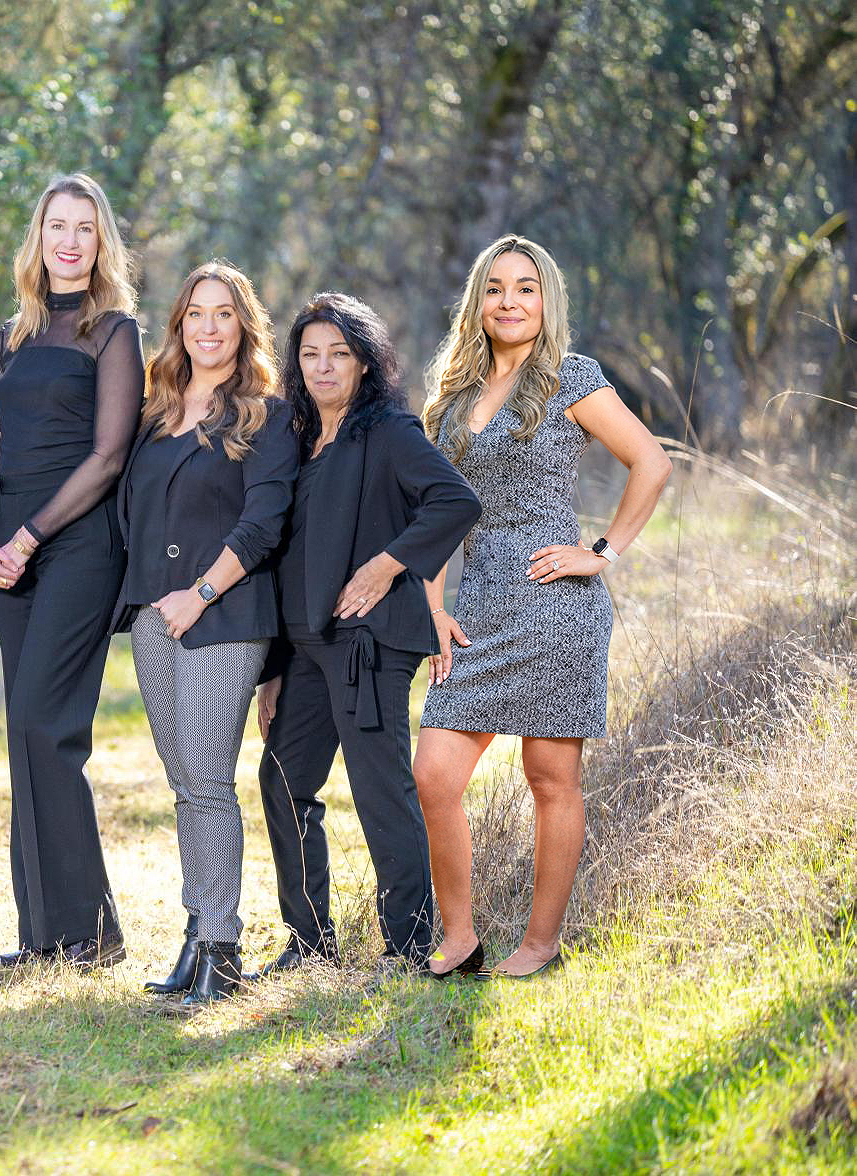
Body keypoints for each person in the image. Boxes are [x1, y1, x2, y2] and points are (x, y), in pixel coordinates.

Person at [415, 235, 672, 979]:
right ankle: (460, 938)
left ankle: (540, 942)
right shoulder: (453, 396)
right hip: (475, 608)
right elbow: (436, 513)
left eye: (525, 288)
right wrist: (432, 607)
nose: (509, 302)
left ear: (545, 299)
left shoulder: (570, 378)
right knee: (434, 774)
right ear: (478, 302)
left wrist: (602, 552)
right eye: (495, 288)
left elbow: (651, 462)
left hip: (555, 605)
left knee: (551, 779)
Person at [254, 292, 480, 974]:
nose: (323, 367)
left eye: (339, 354)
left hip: (369, 644)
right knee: (282, 782)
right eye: (310, 354)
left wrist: (387, 565)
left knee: (380, 790)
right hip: (305, 645)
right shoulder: (298, 438)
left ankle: (409, 945)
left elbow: (455, 501)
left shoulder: (388, 431)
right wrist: (274, 668)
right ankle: (309, 943)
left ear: (364, 363)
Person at [0, 173, 143, 969]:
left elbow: (107, 458)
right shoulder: (12, 335)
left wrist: (30, 537)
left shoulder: (113, 333)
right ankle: (40, 935)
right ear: (37, 238)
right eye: (56, 227)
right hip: (10, 555)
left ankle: (95, 932)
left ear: (101, 243)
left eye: (84, 228)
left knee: (48, 724)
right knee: (24, 734)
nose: (69, 242)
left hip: (77, 546)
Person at [118, 262, 299, 1004]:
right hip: (152, 615)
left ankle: (223, 949)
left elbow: (263, 523)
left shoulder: (267, 416)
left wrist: (199, 594)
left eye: (224, 313)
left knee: (208, 772)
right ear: (179, 324)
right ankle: (197, 933)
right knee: (184, 782)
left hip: (225, 610)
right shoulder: (154, 411)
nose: (208, 327)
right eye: (196, 313)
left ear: (244, 325)